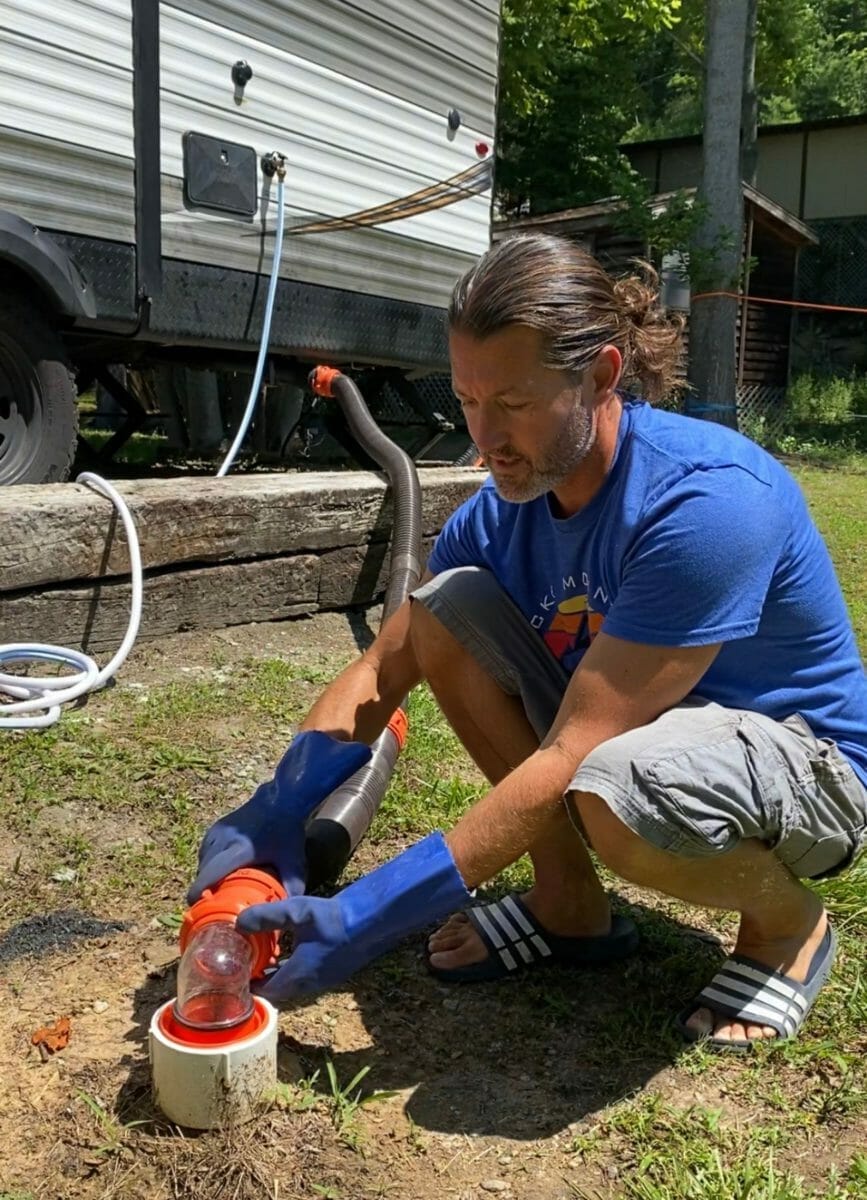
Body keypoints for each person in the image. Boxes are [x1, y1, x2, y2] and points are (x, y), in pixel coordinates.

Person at [189, 234, 867, 1050]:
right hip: (639, 740)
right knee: (442, 610)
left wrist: (371, 914)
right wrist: (279, 807)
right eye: (468, 401)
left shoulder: (707, 503)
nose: (485, 437)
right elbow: (383, 664)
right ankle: (567, 904)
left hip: (807, 771)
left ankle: (786, 924)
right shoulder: (499, 512)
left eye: (510, 403)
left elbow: (573, 750)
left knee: (616, 782)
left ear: (602, 376)